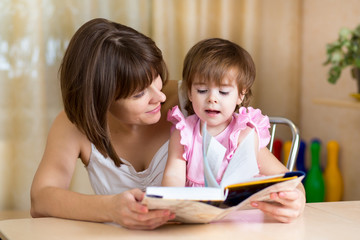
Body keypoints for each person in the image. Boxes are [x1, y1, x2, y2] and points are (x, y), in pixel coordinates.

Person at [30, 18, 179, 230]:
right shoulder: (74, 124)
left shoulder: (195, 100)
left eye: (155, 78)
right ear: (101, 99)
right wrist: (110, 208)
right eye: (139, 94)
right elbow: (40, 199)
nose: (160, 97)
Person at [162, 38, 305, 223]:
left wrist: (296, 197)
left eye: (223, 92)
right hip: (194, 220)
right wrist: (172, 204)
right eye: (202, 90)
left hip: (243, 221)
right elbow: (173, 176)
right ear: (189, 92)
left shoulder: (244, 133)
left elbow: (286, 178)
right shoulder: (183, 133)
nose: (212, 98)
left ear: (240, 95)